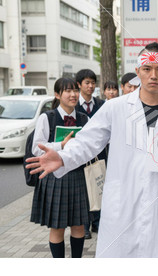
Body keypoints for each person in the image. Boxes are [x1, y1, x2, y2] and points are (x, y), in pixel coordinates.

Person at [26, 42, 158, 258]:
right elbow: (87, 142)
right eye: (147, 69)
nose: (153, 75)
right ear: (138, 72)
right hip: (123, 201)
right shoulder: (115, 107)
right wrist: (62, 158)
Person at [30, 77, 90, 258]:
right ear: (57, 94)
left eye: (75, 91)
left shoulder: (84, 118)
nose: (73, 95)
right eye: (68, 91)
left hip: (78, 176)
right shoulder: (46, 117)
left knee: (79, 225)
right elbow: (36, 149)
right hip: (54, 177)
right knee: (58, 227)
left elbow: (89, 147)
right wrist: (61, 145)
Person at [75, 69, 105, 240]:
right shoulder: (74, 104)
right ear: (79, 84)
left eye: (93, 82)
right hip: (80, 154)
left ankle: (97, 222)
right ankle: (84, 224)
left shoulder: (101, 105)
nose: (91, 86)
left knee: (98, 185)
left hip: (99, 154)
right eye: (87, 83)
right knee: (84, 190)